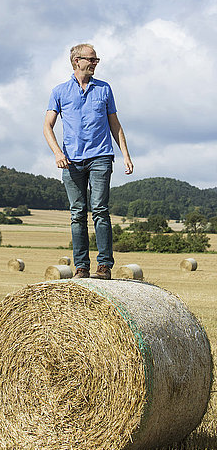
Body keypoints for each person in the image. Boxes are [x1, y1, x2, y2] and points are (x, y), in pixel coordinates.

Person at [43, 43, 133, 279]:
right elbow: (47, 127)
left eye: (96, 60)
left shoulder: (104, 89)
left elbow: (115, 124)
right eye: (91, 60)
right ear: (77, 61)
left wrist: (125, 154)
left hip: (101, 157)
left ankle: (104, 265)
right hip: (71, 161)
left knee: (100, 210)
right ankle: (81, 267)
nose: (95, 63)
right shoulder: (59, 91)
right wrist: (57, 153)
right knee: (77, 214)